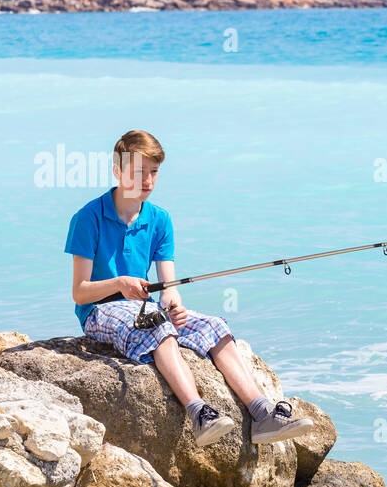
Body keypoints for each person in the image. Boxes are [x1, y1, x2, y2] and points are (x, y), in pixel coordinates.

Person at [65, 129, 314, 448]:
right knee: (159, 330)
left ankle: (261, 411)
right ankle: (199, 414)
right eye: (139, 173)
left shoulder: (159, 220)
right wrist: (120, 284)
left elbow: (168, 286)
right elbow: (80, 292)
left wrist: (172, 304)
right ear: (118, 171)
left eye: (154, 173)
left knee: (215, 326)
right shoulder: (88, 218)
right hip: (99, 311)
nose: (148, 182)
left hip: (143, 309)